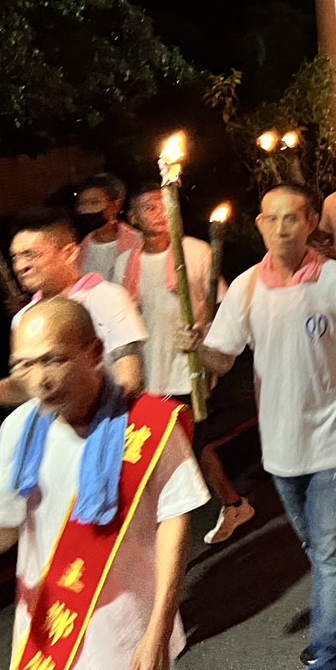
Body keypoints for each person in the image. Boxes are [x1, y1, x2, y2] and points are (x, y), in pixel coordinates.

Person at [0, 298, 208, 670]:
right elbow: (0, 530)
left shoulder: (147, 424)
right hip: (49, 636)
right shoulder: (19, 429)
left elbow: (174, 524)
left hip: (130, 635)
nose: (40, 380)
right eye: (24, 366)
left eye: (53, 360)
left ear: (95, 352)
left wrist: (158, 631)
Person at [180, 184, 336, 670]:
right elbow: (222, 356)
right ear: (258, 225)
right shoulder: (244, 288)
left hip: (334, 436)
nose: (281, 228)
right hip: (279, 444)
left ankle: (326, 656)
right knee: (319, 549)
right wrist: (197, 346)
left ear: (312, 220)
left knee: (325, 549)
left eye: (292, 218)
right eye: (271, 219)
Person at [117, 188, 254, 546]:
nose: (159, 213)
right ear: (133, 218)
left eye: (165, 206)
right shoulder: (124, 264)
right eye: (148, 207)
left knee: (181, 449)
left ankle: (167, 530)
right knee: (190, 447)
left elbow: (220, 302)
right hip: (147, 374)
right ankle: (232, 503)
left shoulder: (196, 251)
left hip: (187, 371)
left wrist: (206, 335)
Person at [0, 207, 148, 410]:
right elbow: (26, 386)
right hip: (59, 429)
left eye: (30, 254)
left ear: (69, 253)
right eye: (15, 257)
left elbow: (128, 374)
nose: (20, 266)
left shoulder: (107, 298)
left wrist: (99, 419)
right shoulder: (25, 319)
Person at [75, 173, 143, 281]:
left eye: (94, 202)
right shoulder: (79, 252)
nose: (87, 209)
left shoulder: (138, 242)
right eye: (82, 204)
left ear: (116, 205)